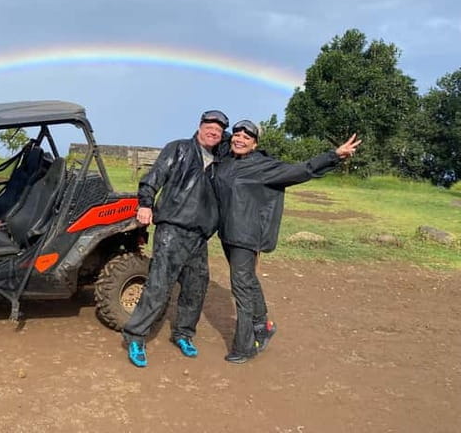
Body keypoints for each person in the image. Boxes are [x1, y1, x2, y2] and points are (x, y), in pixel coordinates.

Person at [213, 119, 361, 364]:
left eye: (246, 138)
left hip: (246, 236)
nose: (239, 139)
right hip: (227, 233)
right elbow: (215, 136)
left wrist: (334, 155)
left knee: (240, 287)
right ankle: (263, 325)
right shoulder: (227, 160)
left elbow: (302, 170)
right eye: (236, 135)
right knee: (247, 279)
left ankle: (245, 346)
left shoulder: (265, 167)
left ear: (255, 144)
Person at [122, 109, 230, 368]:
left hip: (199, 236)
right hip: (172, 230)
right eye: (209, 127)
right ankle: (136, 337)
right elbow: (153, 177)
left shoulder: (220, 161)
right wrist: (145, 203)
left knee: (195, 287)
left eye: (219, 130)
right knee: (159, 285)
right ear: (200, 126)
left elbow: (244, 147)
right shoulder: (178, 149)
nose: (213, 132)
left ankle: (183, 333)